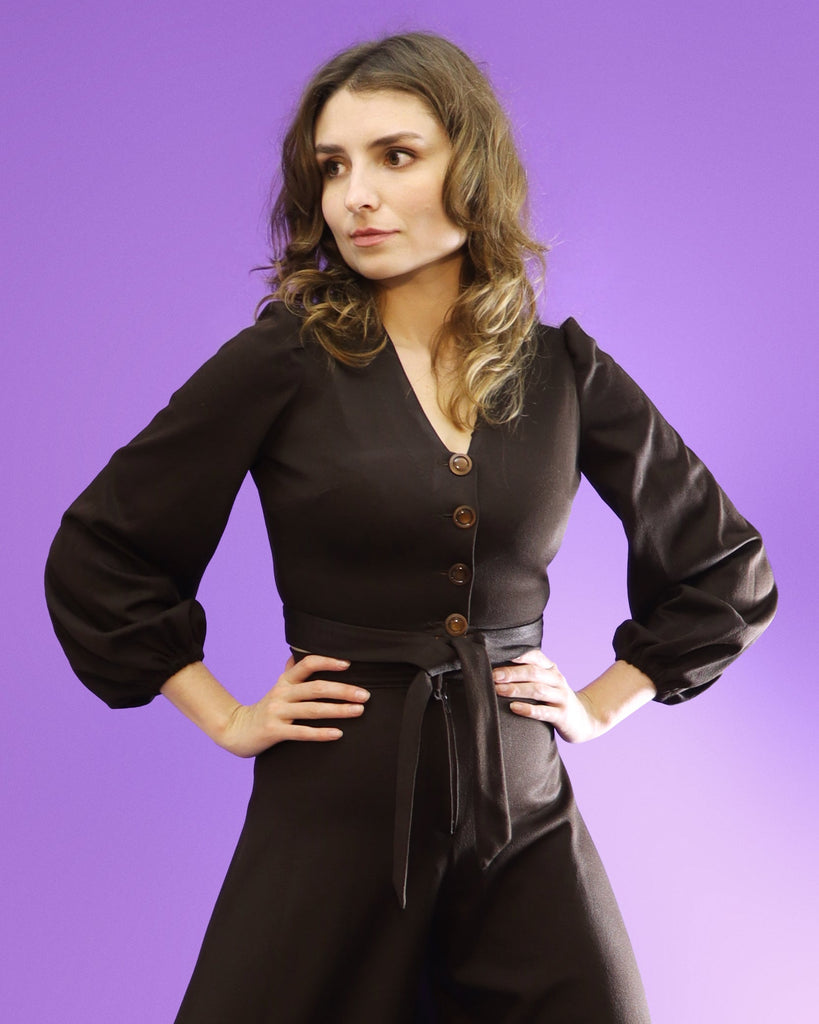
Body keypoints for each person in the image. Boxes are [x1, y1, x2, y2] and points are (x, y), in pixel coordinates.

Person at [44, 31, 777, 1024]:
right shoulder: (284, 361)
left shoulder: (563, 372)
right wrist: (224, 715)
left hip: (522, 821)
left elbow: (722, 566)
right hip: (331, 820)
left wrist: (601, 703)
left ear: (471, 167)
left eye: (395, 156)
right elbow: (103, 551)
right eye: (332, 168)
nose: (356, 195)